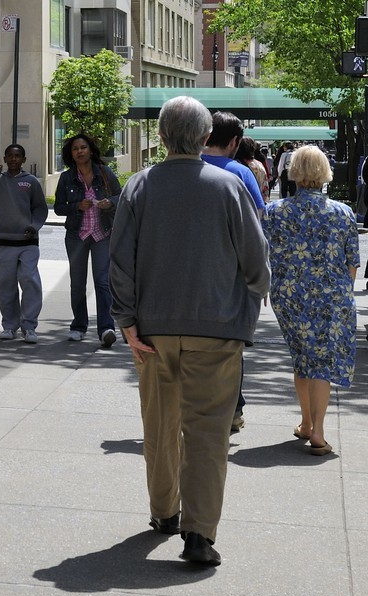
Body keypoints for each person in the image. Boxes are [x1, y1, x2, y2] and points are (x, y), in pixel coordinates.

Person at [109, 97, 270, 565]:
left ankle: (164, 513)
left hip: (152, 329)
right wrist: (253, 300)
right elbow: (256, 260)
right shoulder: (229, 186)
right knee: (207, 433)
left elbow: (120, 261)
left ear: (161, 137)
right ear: (205, 137)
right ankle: (198, 534)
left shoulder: (139, 186)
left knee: (159, 425)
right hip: (217, 327)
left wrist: (126, 321)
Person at [263, 144, 358, 456]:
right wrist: (341, 294)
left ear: (294, 171)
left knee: (302, 356)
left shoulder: (275, 212)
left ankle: (306, 423)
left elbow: (265, 255)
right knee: (322, 361)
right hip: (332, 296)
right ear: (325, 171)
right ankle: (318, 430)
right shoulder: (342, 213)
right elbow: (352, 263)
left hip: (289, 295)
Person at [203, 112, 265, 433]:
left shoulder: (182, 167)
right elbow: (256, 227)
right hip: (232, 275)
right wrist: (260, 277)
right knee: (230, 347)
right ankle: (233, 410)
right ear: (234, 142)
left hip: (187, 277)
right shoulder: (241, 172)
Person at [54, 132, 122, 347]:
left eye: (83, 147)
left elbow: (121, 196)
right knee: (77, 283)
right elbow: (58, 207)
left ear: (91, 151)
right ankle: (78, 326)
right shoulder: (67, 177)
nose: (79, 151)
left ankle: (106, 328)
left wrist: (109, 202)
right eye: (75, 149)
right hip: (77, 235)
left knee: (102, 281)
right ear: (71, 154)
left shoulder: (104, 173)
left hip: (102, 234)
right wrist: (77, 206)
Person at [0, 145, 48, 343]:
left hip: (27, 241)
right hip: (2, 241)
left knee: (29, 280)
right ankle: (9, 325)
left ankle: (29, 326)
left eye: (17, 156)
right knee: (5, 285)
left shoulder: (31, 182)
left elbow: (40, 208)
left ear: (24, 159)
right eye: (10, 156)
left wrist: (34, 226)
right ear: (4, 158)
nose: (14, 159)